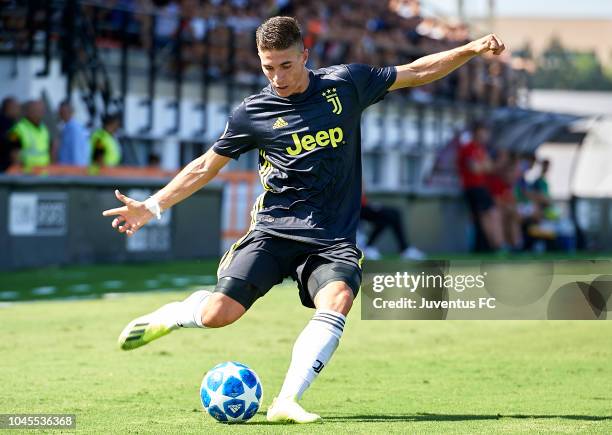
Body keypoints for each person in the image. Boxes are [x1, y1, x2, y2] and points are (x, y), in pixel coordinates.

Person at [103, 16, 505, 423]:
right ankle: (176, 314)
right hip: (273, 230)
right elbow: (205, 166)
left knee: (339, 299)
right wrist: (150, 206)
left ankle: (286, 400)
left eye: (285, 65)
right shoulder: (252, 113)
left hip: (332, 237)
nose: (276, 77)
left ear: (305, 56)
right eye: (267, 67)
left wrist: (469, 49)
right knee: (218, 316)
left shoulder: (346, 85)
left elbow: (417, 71)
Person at [456, 121, 503, 252]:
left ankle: (491, 245)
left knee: (490, 215)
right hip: (473, 188)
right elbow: (475, 168)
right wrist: (484, 166)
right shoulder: (468, 148)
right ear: (476, 132)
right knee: (488, 215)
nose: (485, 135)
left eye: (486, 132)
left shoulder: (481, 149)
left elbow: (490, 168)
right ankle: (495, 246)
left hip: (481, 187)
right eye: (483, 131)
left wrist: (483, 166)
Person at [360, 193, 426, 260]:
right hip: (356, 208)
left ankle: (367, 246)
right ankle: (367, 246)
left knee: (392, 215)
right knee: (388, 216)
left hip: (362, 205)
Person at [7, 99, 50, 172]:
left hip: (44, 174)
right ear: (29, 112)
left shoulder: (43, 129)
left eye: (42, 111)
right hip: (27, 175)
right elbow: (13, 152)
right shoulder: (17, 129)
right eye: (38, 111)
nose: (41, 114)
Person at [57, 100, 90, 166]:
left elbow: (77, 153)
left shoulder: (74, 129)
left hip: (72, 171)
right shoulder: (67, 128)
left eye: (64, 111)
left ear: (71, 112)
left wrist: (77, 172)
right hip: (67, 170)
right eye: (60, 112)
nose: (61, 114)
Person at [0, 96, 20, 172]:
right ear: (9, 107)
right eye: (17, 107)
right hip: (6, 168)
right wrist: (16, 165)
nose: (19, 110)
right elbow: (14, 146)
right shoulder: (10, 126)